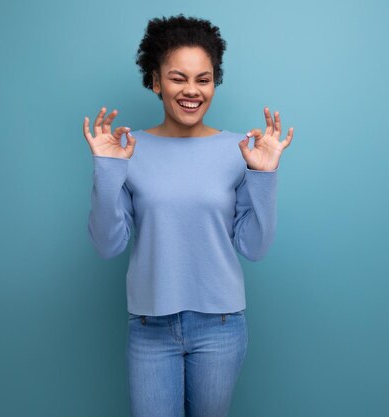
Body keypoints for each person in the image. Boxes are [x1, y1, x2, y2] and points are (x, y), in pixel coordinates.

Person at [82, 14, 294, 417]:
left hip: (220, 326)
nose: (192, 90)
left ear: (214, 82)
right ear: (155, 81)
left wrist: (264, 175)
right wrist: (108, 172)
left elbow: (254, 247)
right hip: (150, 329)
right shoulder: (127, 148)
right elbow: (108, 246)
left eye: (204, 78)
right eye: (178, 78)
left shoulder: (240, 149)